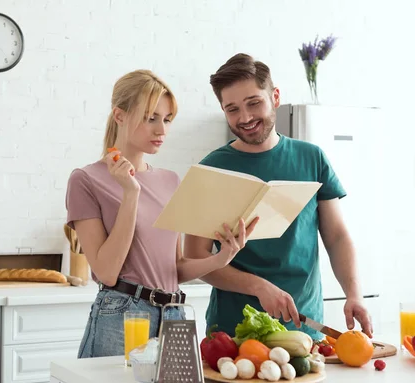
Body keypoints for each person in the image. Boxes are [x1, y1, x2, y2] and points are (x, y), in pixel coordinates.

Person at [65, 69, 258, 359]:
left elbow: (174, 268)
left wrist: (221, 258)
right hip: (123, 314)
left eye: (167, 120)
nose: (161, 130)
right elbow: (106, 272)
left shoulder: (170, 180)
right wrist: (131, 194)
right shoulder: (86, 180)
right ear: (120, 115)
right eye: (150, 118)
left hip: (175, 315)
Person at [184, 53, 373, 341]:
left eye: (253, 103)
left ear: (275, 96)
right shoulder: (211, 169)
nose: (244, 118)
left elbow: (336, 237)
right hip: (232, 334)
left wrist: (354, 294)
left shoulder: (312, 158)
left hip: (305, 328)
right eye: (232, 109)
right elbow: (195, 258)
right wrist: (258, 286)